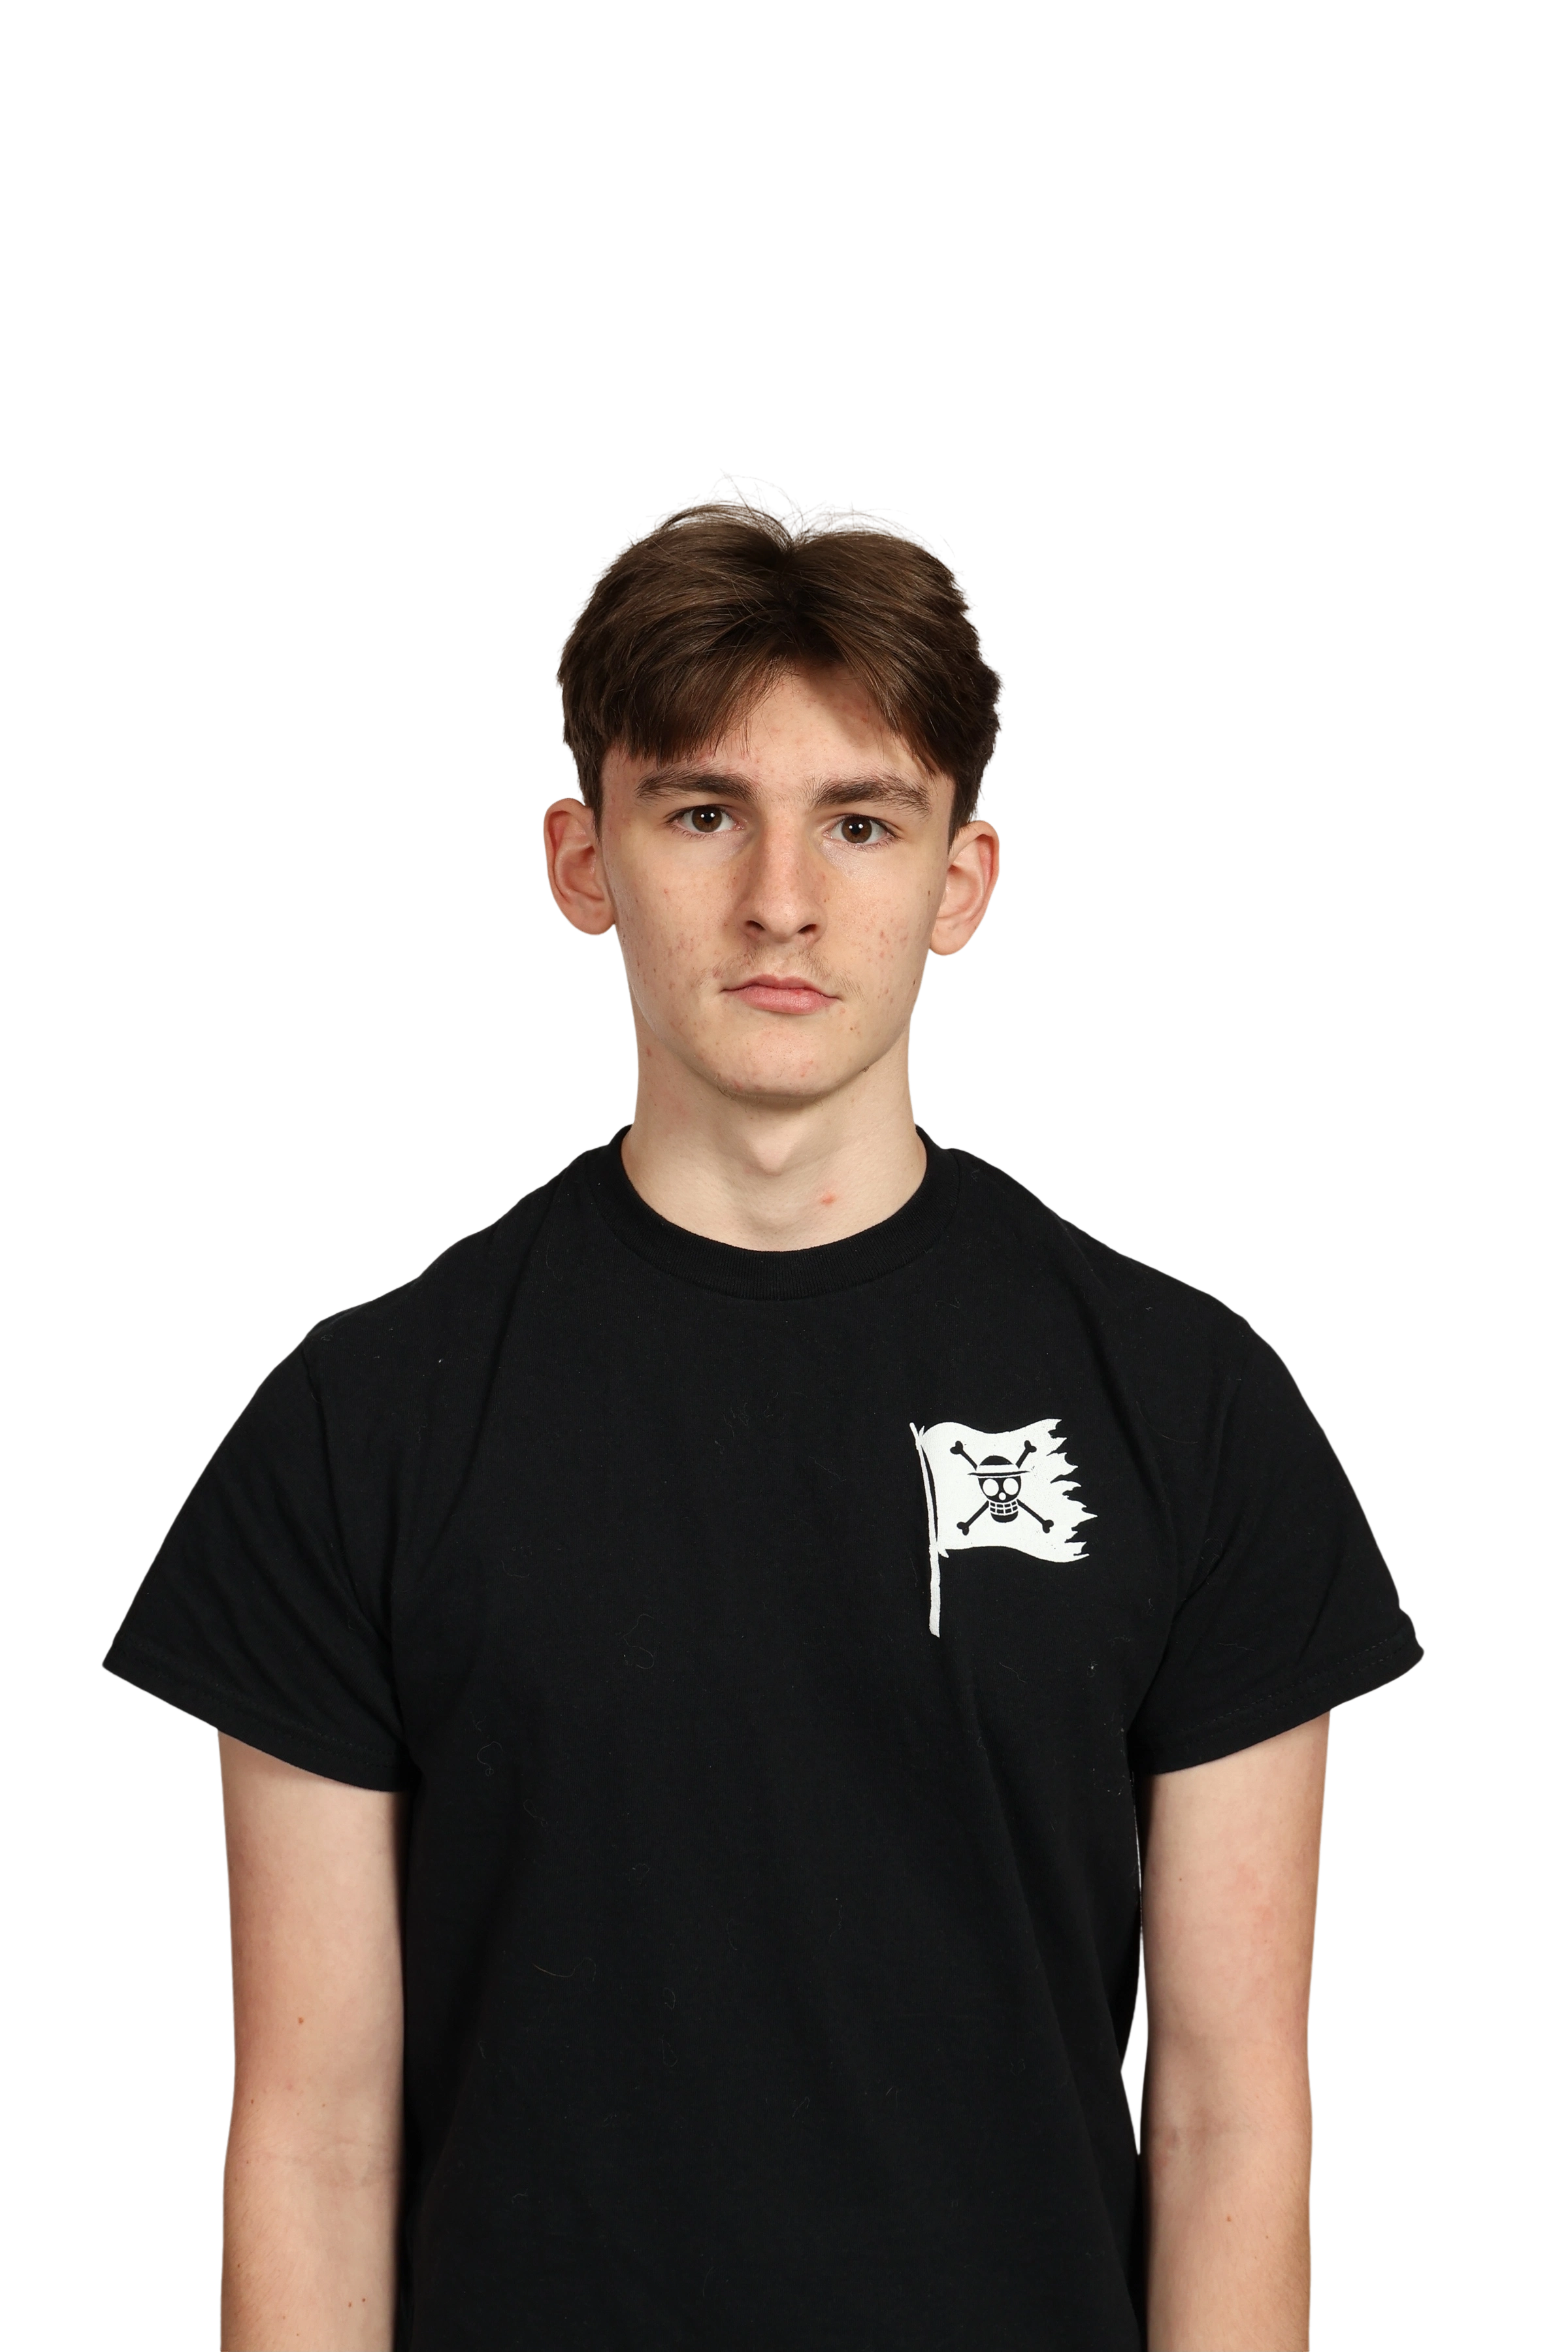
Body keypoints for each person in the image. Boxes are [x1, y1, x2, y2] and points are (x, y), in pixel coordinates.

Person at [101, 469, 1424, 2352]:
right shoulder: (360, 1427)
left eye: (860, 822)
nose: (781, 902)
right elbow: (313, 2141)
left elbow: (1230, 2117)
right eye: (703, 811)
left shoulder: (1192, 1410)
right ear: (583, 862)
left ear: (963, 880)